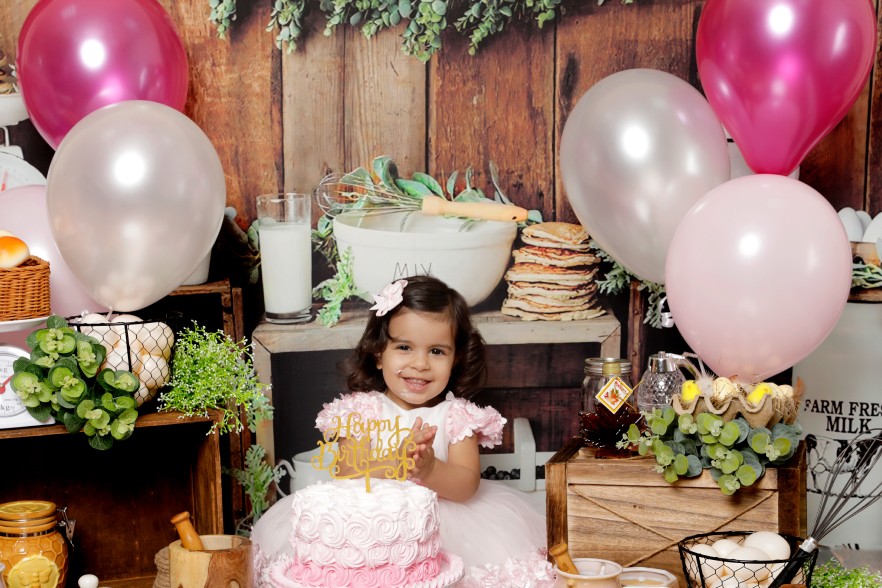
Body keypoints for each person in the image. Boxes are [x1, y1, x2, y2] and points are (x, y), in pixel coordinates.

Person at [252, 275, 553, 587]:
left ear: (456, 357)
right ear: (379, 354)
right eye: (405, 347)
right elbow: (347, 470)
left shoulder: (455, 416)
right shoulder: (363, 411)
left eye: (437, 351)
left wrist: (429, 469)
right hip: (367, 531)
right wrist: (396, 463)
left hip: (447, 527)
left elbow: (467, 485)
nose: (420, 363)